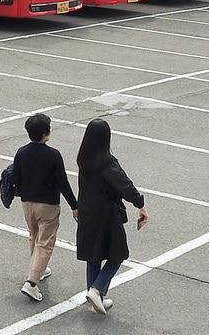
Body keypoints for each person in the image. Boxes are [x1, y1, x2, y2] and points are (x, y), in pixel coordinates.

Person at [75, 119, 148, 316]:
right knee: (118, 253)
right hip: (106, 213)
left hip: (87, 211)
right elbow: (124, 185)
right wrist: (140, 204)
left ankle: (94, 296)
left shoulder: (83, 158)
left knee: (93, 255)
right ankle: (97, 289)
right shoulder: (107, 163)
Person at [14, 114, 78, 302]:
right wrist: (75, 205)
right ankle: (31, 282)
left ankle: (39, 270)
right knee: (45, 243)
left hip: (27, 203)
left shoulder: (21, 152)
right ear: (45, 133)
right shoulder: (53, 155)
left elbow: (16, 178)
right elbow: (63, 182)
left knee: (34, 236)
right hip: (48, 204)